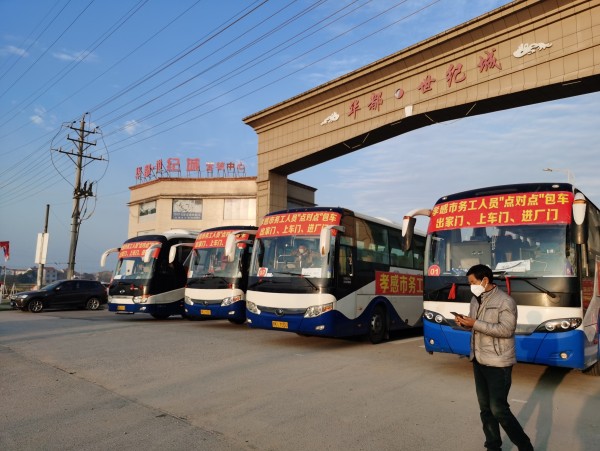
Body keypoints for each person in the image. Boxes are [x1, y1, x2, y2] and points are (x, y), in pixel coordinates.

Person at [455, 264, 534, 451]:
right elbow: (476, 324)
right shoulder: (476, 300)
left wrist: (475, 323)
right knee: (485, 409)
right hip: (479, 359)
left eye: (473, 282)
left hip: (499, 362)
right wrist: (466, 323)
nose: (470, 286)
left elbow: (507, 330)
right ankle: (493, 446)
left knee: (499, 409)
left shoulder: (505, 301)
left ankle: (525, 446)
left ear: (485, 280)